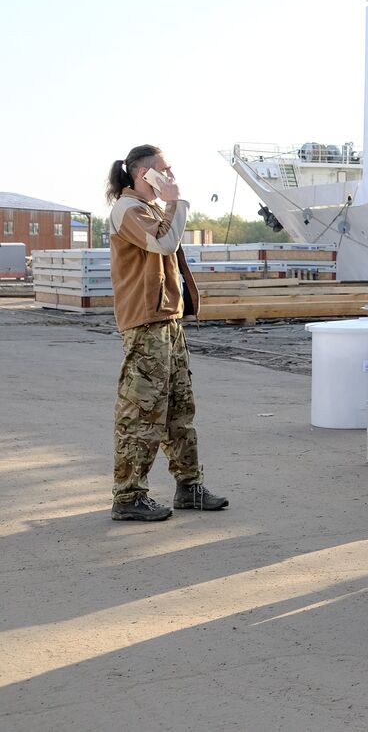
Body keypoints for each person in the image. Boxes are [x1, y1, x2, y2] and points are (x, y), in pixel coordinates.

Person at [104, 145, 228, 522]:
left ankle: (189, 487)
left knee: (179, 408)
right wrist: (178, 201)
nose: (171, 177)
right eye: (164, 170)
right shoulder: (128, 210)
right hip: (145, 325)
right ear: (145, 174)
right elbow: (164, 242)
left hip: (166, 321)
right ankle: (128, 496)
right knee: (141, 412)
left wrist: (170, 204)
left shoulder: (151, 208)